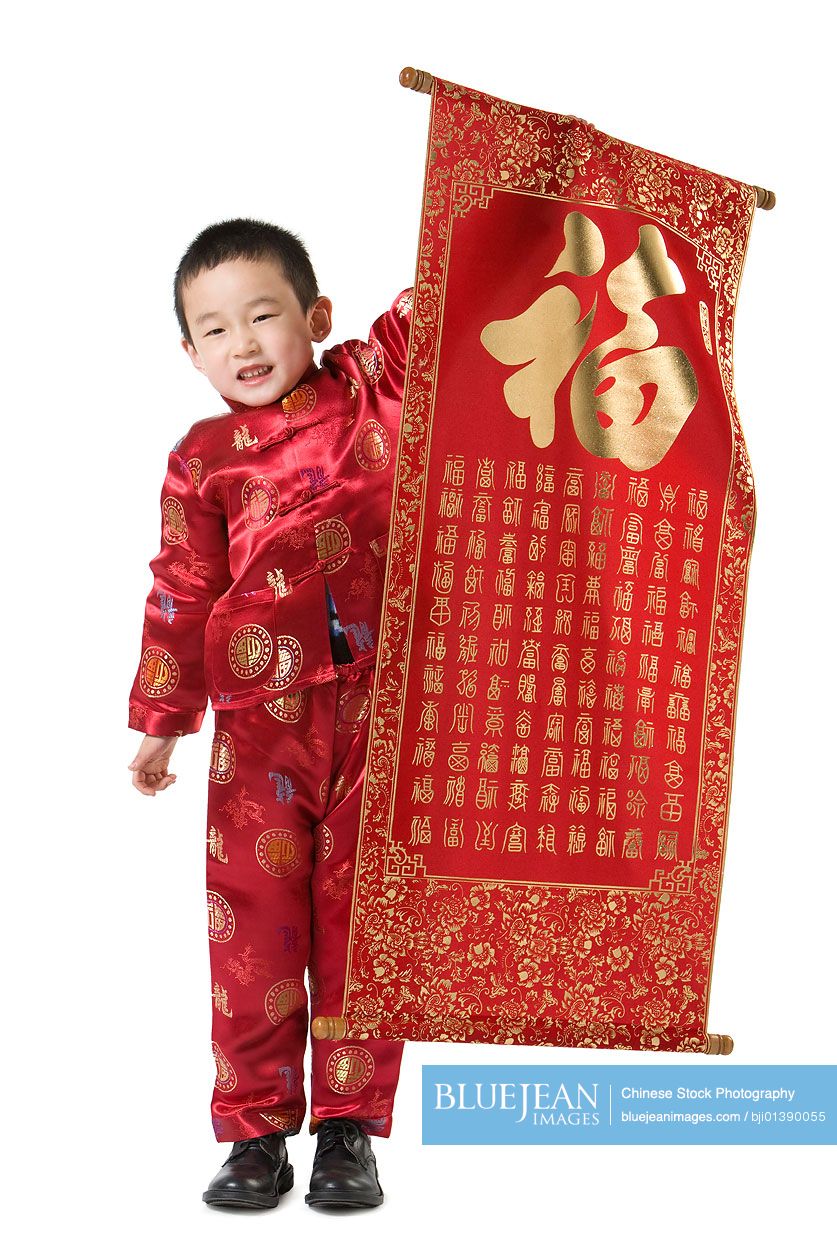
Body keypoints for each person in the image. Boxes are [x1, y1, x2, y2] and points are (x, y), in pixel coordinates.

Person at [127, 217, 413, 1209]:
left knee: (364, 929)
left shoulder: (372, 384)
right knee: (253, 931)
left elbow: (451, 301)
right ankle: (255, 1133)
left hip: (386, 711)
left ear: (315, 317)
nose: (242, 343)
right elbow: (183, 588)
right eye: (215, 329)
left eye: (263, 315)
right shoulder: (204, 460)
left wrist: (510, 180)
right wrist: (164, 717)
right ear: (190, 350)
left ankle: (347, 1131)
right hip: (260, 728)